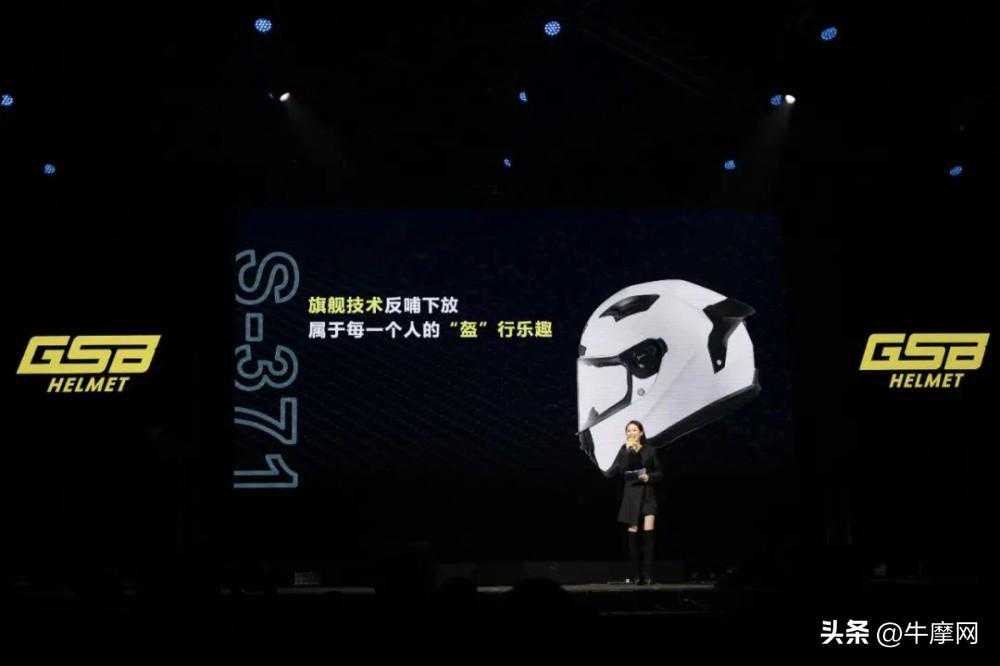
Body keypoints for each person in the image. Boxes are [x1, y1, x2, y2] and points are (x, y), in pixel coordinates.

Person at [604, 420, 663, 585]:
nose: (631, 433)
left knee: (648, 534)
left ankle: (648, 575)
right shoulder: (624, 450)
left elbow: (659, 473)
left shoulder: (650, 450)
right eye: (628, 431)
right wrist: (629, 452)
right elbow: (620, 470)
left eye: (635, 430)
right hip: (631, 495)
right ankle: (637, 575)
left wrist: (648, 477)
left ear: (641, 432)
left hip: (647, 494)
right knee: (633, 535)